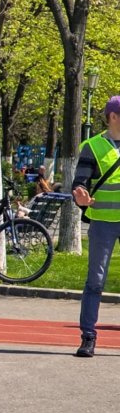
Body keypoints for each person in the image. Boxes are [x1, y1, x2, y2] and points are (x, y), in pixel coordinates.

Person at [72, 94, 120, 358]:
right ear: (113, 117)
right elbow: (80, 182)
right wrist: (80, 195)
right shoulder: (93, 146)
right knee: (95, 281)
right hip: (103, 223)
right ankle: (88, 337)